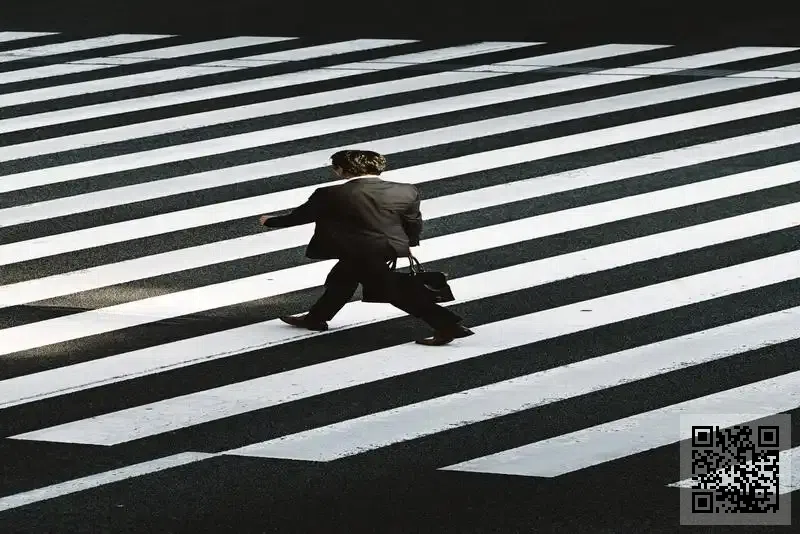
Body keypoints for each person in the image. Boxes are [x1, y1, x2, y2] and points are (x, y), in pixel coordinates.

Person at [258, 149, 474, 346]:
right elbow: (413, 221)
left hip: (357, 250)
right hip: (388, 247)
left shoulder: (329, 194)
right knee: (341, 281)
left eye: (335, 168)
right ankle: (315, 318)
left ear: (342, 170)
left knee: (391, 291)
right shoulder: (406, 190)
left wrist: (270, 221)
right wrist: (408, 243)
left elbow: (300, 217)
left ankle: (448, 325)